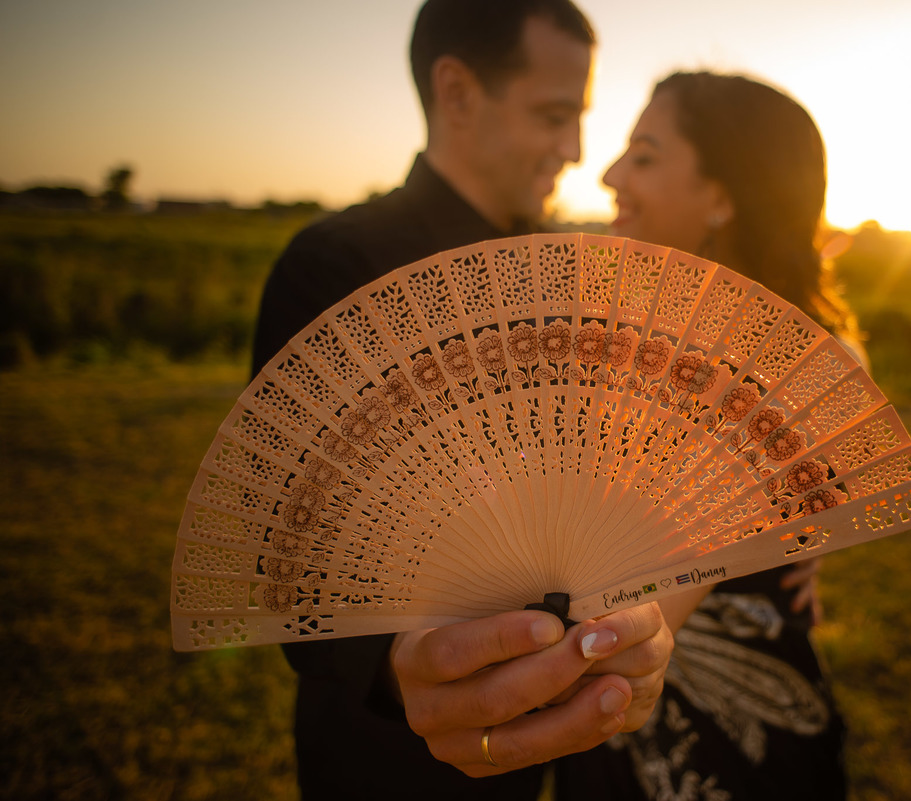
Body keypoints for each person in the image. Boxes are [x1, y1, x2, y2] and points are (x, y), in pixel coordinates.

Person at [251, 2, 675, 798]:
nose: (575, 151)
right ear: (457, 91)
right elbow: (290, 547)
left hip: (555, 736)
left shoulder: (569, 275)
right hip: (388, 756)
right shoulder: (338, 264)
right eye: (555, 116)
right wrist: (394, 659)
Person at [556, 71, 856, 800]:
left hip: (704, 746)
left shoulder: (753, 375)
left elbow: (625, 625)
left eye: (647, 157)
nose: (611, 174)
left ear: (722, 197)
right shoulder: (678, 342)